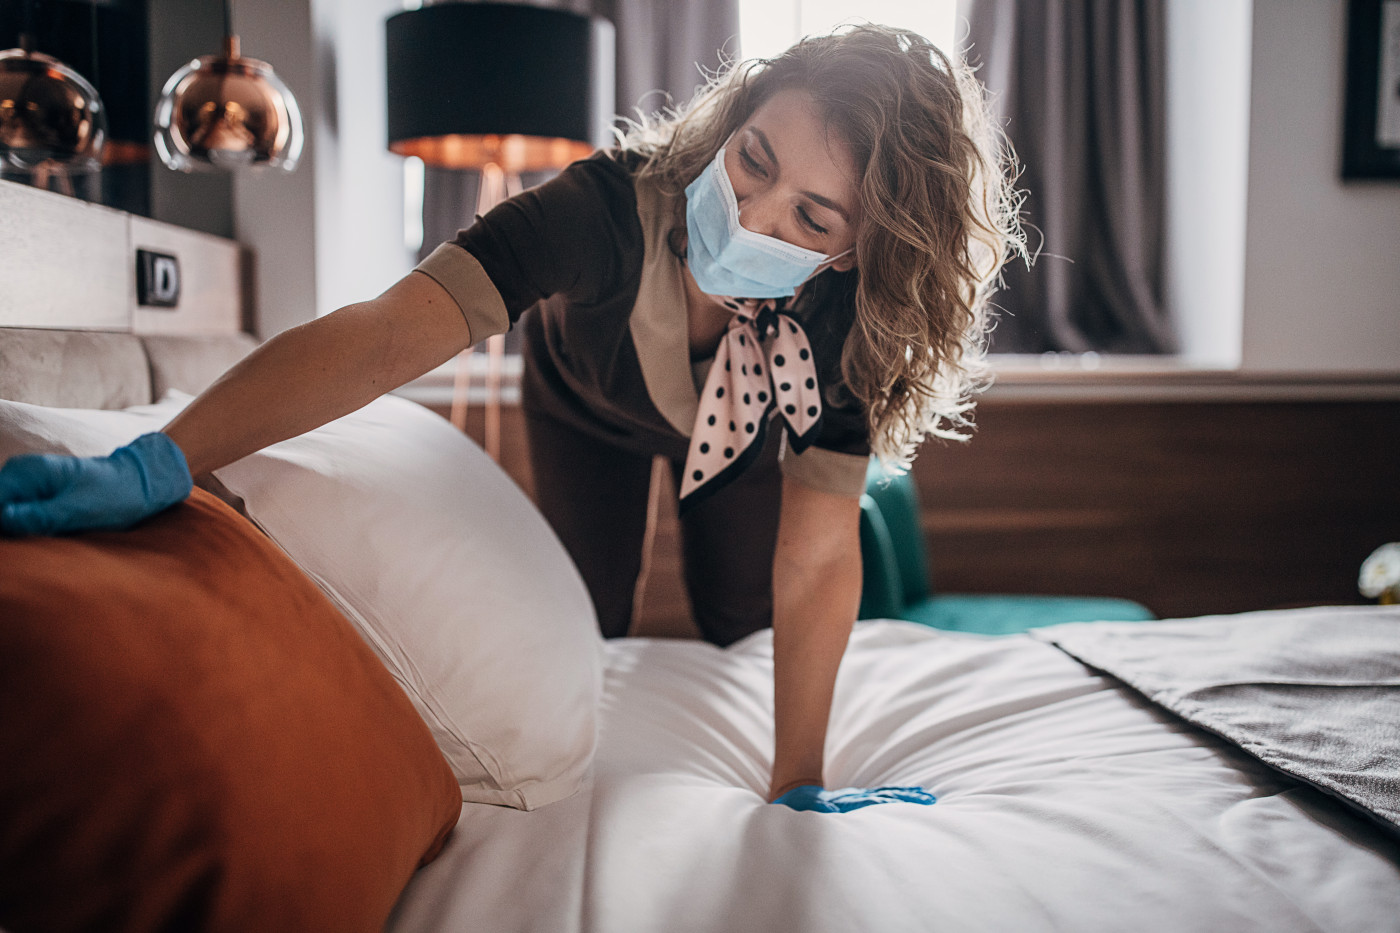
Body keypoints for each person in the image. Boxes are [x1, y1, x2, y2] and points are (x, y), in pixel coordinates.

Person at [0, 25, 1022, 813]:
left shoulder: (849, 325)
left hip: (749, 445)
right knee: (588, 613)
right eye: (753, 160)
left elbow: (813, 558)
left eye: (810, 216)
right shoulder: (599, 211)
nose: (754, 216)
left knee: (739, 621)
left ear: (852, 252)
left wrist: (796, 781)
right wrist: (164, 457)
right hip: (586, 407)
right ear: (729, 122)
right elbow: (385, 334)